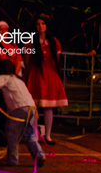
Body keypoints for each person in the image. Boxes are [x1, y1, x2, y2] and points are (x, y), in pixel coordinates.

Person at [0, 60, 45, 167]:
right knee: (31, 135)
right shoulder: (19, 80)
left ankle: (12, 159)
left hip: (18, 109)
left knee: (11, 134)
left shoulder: (5, 78)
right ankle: (39, 155)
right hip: (32, 108)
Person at [24, 16, 68, 144]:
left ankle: (48, 135)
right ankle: (34, 135)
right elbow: (27, 61)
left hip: (50, 75)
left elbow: (56, 61)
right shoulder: (31, 42)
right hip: (36, 75)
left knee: (49, 107)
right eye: (38, 24)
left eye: (43, 23)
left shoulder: (54, 42)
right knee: (35, 107)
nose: (41, 26)